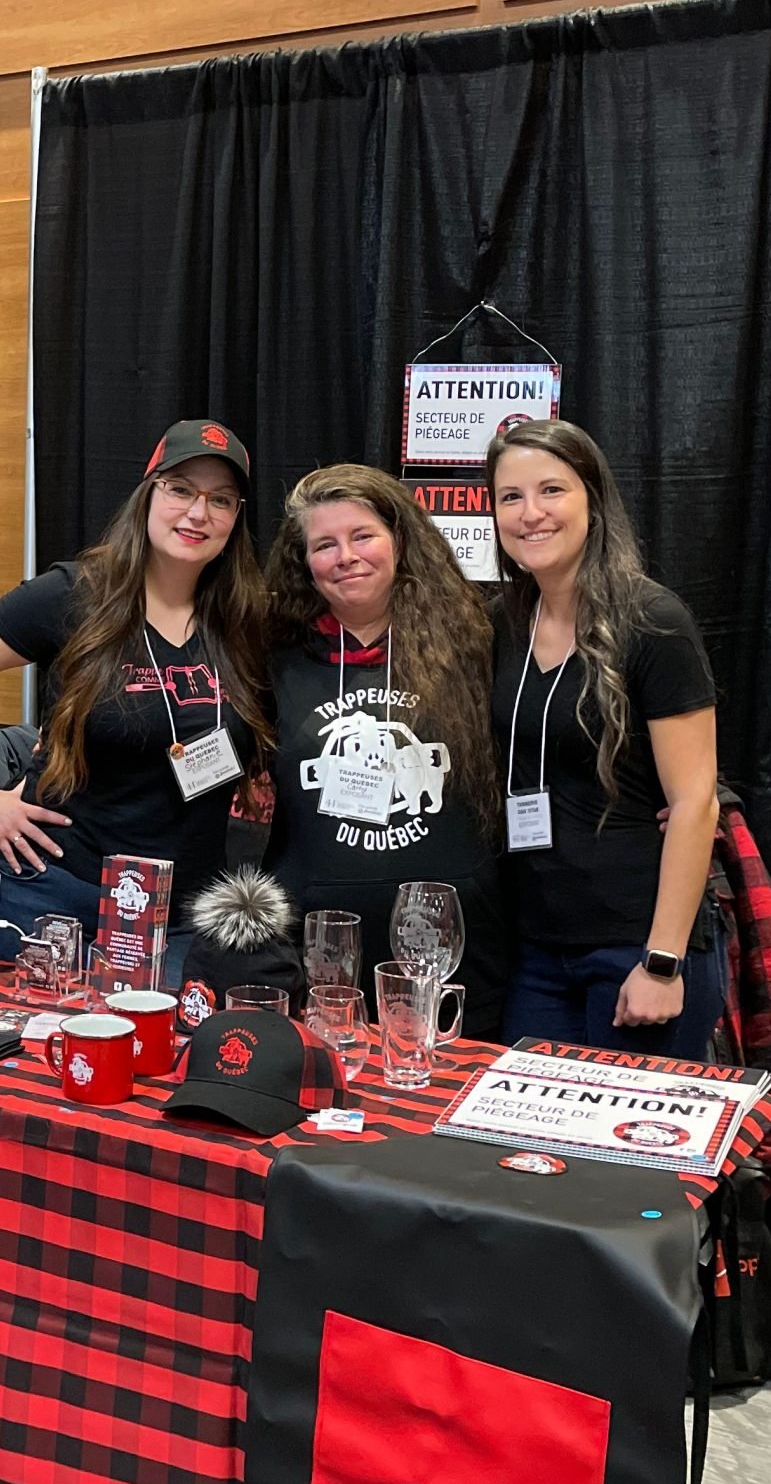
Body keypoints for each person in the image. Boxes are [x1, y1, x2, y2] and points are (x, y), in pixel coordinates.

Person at [0, 419, 273, 986]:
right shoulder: (74, 594)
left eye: (220, 500)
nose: (198, 514)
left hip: (182, 911)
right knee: (32, 1060)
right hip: (57, 887)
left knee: (156, 1066)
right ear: (148, 494)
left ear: (236, 518)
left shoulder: (244, 617)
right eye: (180, 490)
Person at [485, 419, 723, 1059]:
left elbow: (697, 801)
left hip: (636, 948)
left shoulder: (652, 622)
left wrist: (663, 960)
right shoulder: (503, 623)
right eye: (510, 497)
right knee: (525, 1154)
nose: (531, 513)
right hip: (538, 950)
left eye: (551, 491)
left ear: (592, 496)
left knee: (628, 1159)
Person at [259, 464, 510, 1036]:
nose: (346, 556)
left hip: (452, 944)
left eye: (363, 535)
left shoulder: (479, 639)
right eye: (325, 544)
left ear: (400, 541)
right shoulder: (271, 653)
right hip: (320, 943)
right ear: (305, 563)